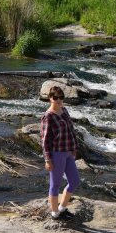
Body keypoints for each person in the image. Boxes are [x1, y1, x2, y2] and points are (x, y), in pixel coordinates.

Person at [40, 85, 81, 219]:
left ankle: (62, 208)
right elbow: (45, 141)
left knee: (74, 181)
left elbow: (71, 130)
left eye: (61, 97)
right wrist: (47, 160)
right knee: (55, 185)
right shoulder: (48, 117)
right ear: (50, 98)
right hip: (57, 154)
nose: (59, 100)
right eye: (55, 98)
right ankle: (55, 213)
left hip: (69, 152)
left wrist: (74, 148)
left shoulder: (64, 110)